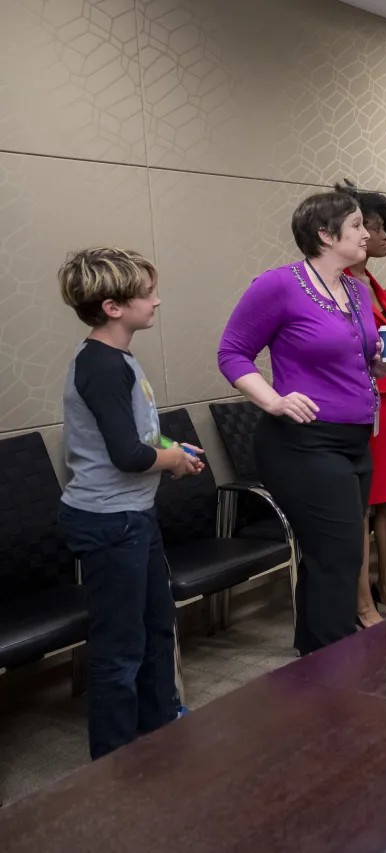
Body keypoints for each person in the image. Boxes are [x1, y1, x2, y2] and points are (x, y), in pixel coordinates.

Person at [218, 191, 386, 656]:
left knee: (337, 556)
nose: (367, 233)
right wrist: (273, 400)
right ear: (324, 234)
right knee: (337, 557)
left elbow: (355, 360)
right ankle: (334, 662)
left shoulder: (356, 290)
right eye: (357, 225)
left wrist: (378, 367)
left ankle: (316, 660)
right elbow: (231, 352)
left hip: (356, 439)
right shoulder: (279, 285)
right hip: (303, 444)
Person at [56, 247, 203, 759]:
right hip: (109, 522)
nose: (157, 301)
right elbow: (128, 456)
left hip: (133, 517)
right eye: (147, 293)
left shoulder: (119, 359)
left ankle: (160, 727)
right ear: (115, 307)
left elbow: (142, 439)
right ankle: (115, 760)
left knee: (157, 630)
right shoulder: (99, 364)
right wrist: (172, 461)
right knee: (119, 651)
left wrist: (172, 449)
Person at [335, 180, 386, 627]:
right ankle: (362, 600)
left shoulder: (373, 284)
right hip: (361, 403)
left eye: (382, 228)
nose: (380, 237)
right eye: (373, 227)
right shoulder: (337, 285)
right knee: (361, 504)